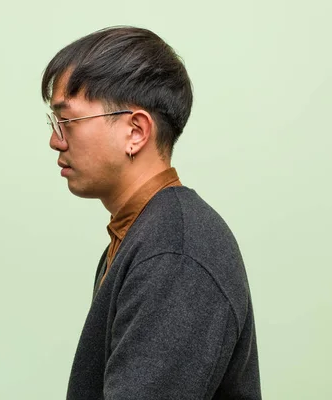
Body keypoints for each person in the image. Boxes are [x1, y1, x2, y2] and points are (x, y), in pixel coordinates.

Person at [42, 26, 261, 399]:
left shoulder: (175, 253)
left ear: (136, 131)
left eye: (68, 121)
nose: (55, 140)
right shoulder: (146, 235)